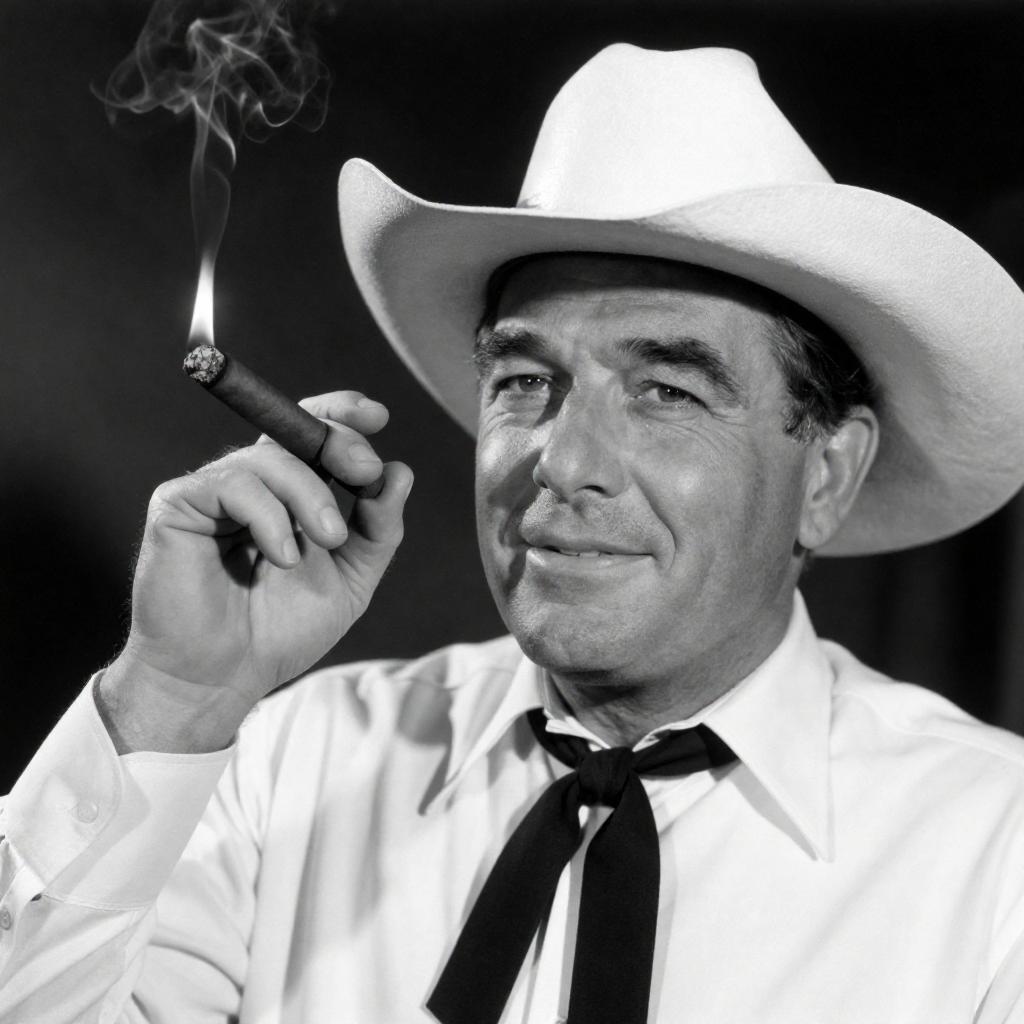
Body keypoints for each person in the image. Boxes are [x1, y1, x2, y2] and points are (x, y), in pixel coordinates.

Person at [2, 42, 1024, 1024]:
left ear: (827, 474)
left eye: (666, 390)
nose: (564, 462)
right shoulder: (289, 768)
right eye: (526, 381)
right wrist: (171, 696)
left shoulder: (994, 854)